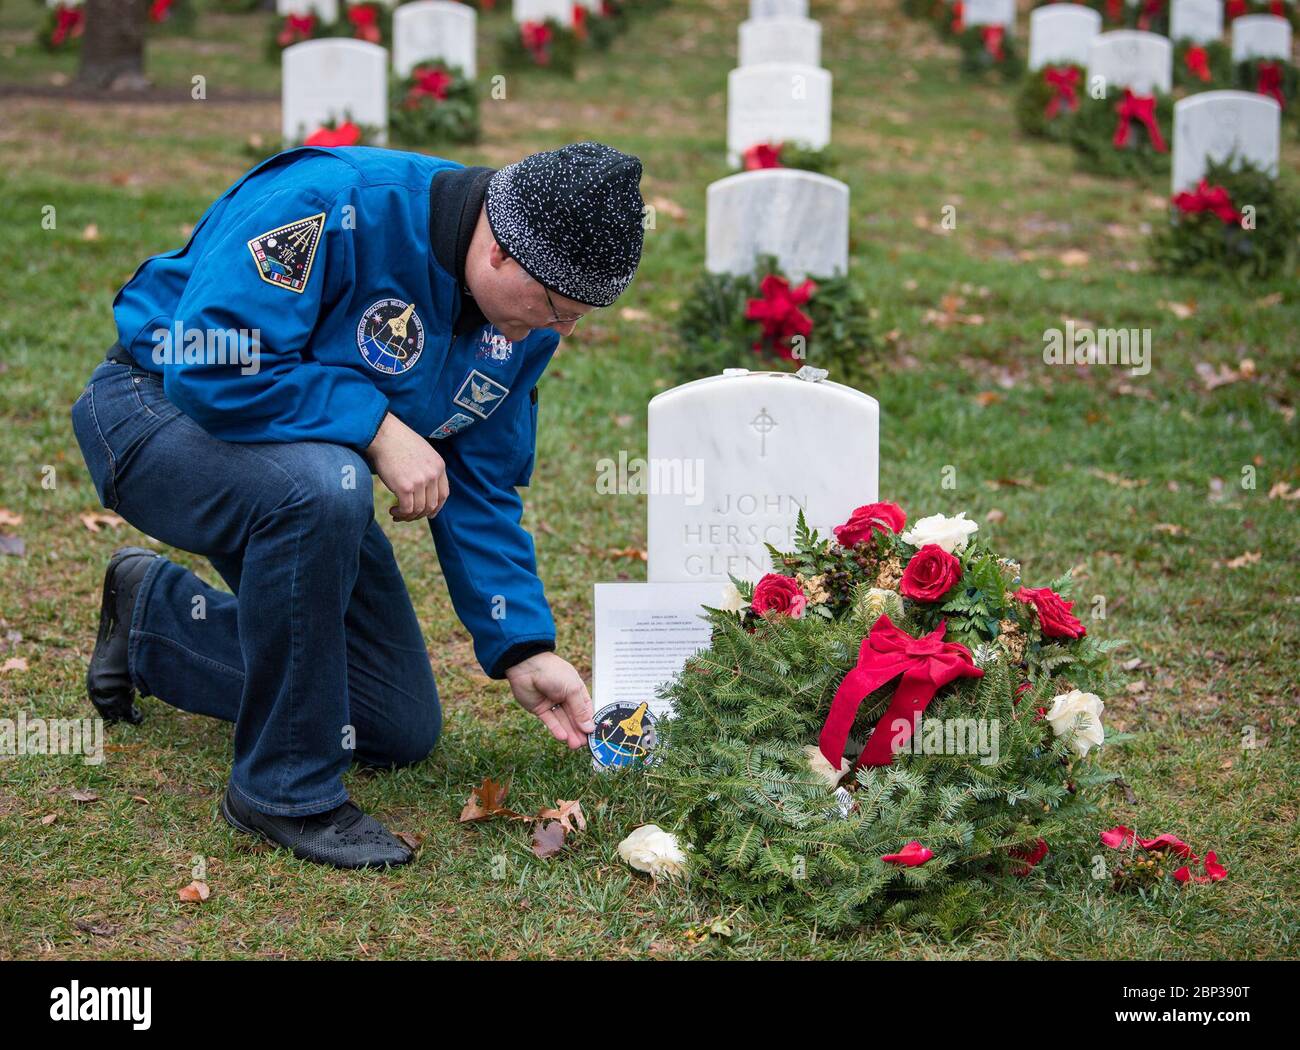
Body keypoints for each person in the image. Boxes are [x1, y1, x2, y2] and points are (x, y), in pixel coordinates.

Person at [70, 141, 646, 868]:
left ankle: (154, 620)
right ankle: (283, 791)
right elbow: (210, 359)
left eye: (579, 316)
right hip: (152, 411)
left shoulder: (517, 324)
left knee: (393, 721)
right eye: (557, 309)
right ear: (499, 252)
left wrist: (524, 646)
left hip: (294, 468)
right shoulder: (335, 201)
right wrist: (375, 427)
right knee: (328, 486)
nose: (559, 333)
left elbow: (481, 480)